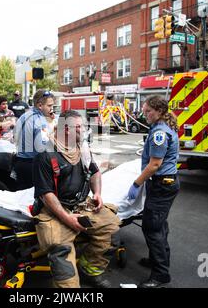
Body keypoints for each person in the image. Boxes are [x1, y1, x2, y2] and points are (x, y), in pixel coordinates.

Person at [32, 110, 121, 288]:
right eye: (79, 128)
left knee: (111, 228)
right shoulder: (45, 154)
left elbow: (94, 171)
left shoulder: (83, 148)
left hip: (81, 205)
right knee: (59, 247)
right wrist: (68, 220)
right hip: (55, 210)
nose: (84, 131)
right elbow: (46, 194)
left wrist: (97, 193)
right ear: (66, 130)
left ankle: (90, 270)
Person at [126, 96, 180, 288]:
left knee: (152, 227)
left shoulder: (160, 133)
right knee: (159, 225)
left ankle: (160, 274)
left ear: (158, 111)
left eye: (148, 111)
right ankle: (157, 259)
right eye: (145, 110)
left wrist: (136, 183)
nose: (145, 114)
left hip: (161, 184)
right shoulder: (162, 127)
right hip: (165, 184)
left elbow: (155, 164)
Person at [14, 89, 55, 190]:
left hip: (19, 162)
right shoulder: (40, 121)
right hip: (33, 165)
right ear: (40, 105)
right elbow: (44, 147)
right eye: (49, 106)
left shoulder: (24, 116)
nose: (52, 109)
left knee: (21, 198)